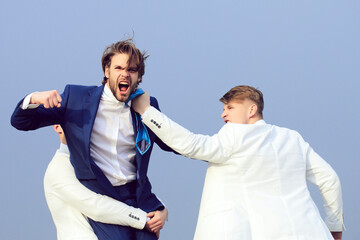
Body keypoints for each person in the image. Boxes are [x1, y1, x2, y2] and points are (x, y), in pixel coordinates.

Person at [132, 85, 345, 240]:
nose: (223, 114)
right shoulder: (293, 138)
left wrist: (146, 112)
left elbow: (191, 144)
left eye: (230, 107)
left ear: (251, 109)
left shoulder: (235, 135)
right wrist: (334, 228)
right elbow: (330, 179)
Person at [11, 39, 170, 240]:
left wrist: (161, 209)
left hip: (138, 197)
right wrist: (34, 98)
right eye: (118, 67)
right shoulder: (76, 99)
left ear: (139, 76)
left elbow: (172, 142)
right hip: (106, 195)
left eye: (131, 70)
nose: (124, 73)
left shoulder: (146, 105)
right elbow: (21, 121)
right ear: (107, 71)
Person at [45, 124, 154, 239]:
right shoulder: (58, 168)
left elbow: (128, 188)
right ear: (57, 127)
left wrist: (158, 209)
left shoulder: (99, 161)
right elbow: (95, 205)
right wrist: (144, 219)